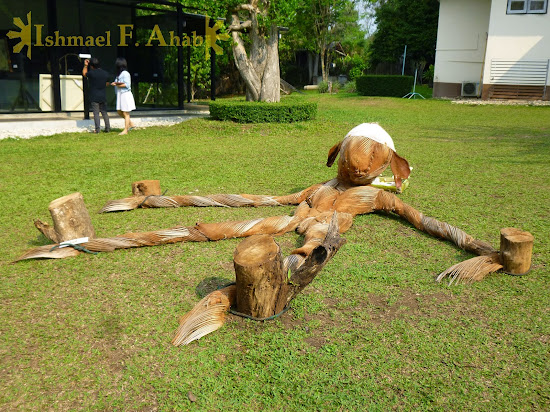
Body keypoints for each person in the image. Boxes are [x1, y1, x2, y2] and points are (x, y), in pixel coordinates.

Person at [82, 57, 111, 133]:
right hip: (103, 95)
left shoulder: (91, 73)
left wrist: (85, 65)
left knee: (96, 113)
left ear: (91, 66)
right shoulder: (105, 73)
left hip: (94, 96)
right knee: (104, 112)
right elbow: (107, 83)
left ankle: (97, 129)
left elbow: (84, 74)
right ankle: (107, 128)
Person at [111, 57, 136, 135]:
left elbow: (127, 85)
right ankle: (131, 123)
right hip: (120, 94)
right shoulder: (119, 74)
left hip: (125, 94)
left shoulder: (125, 73)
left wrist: (116, 84)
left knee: (125, 112)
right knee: (119, 111)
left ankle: (126, 130)